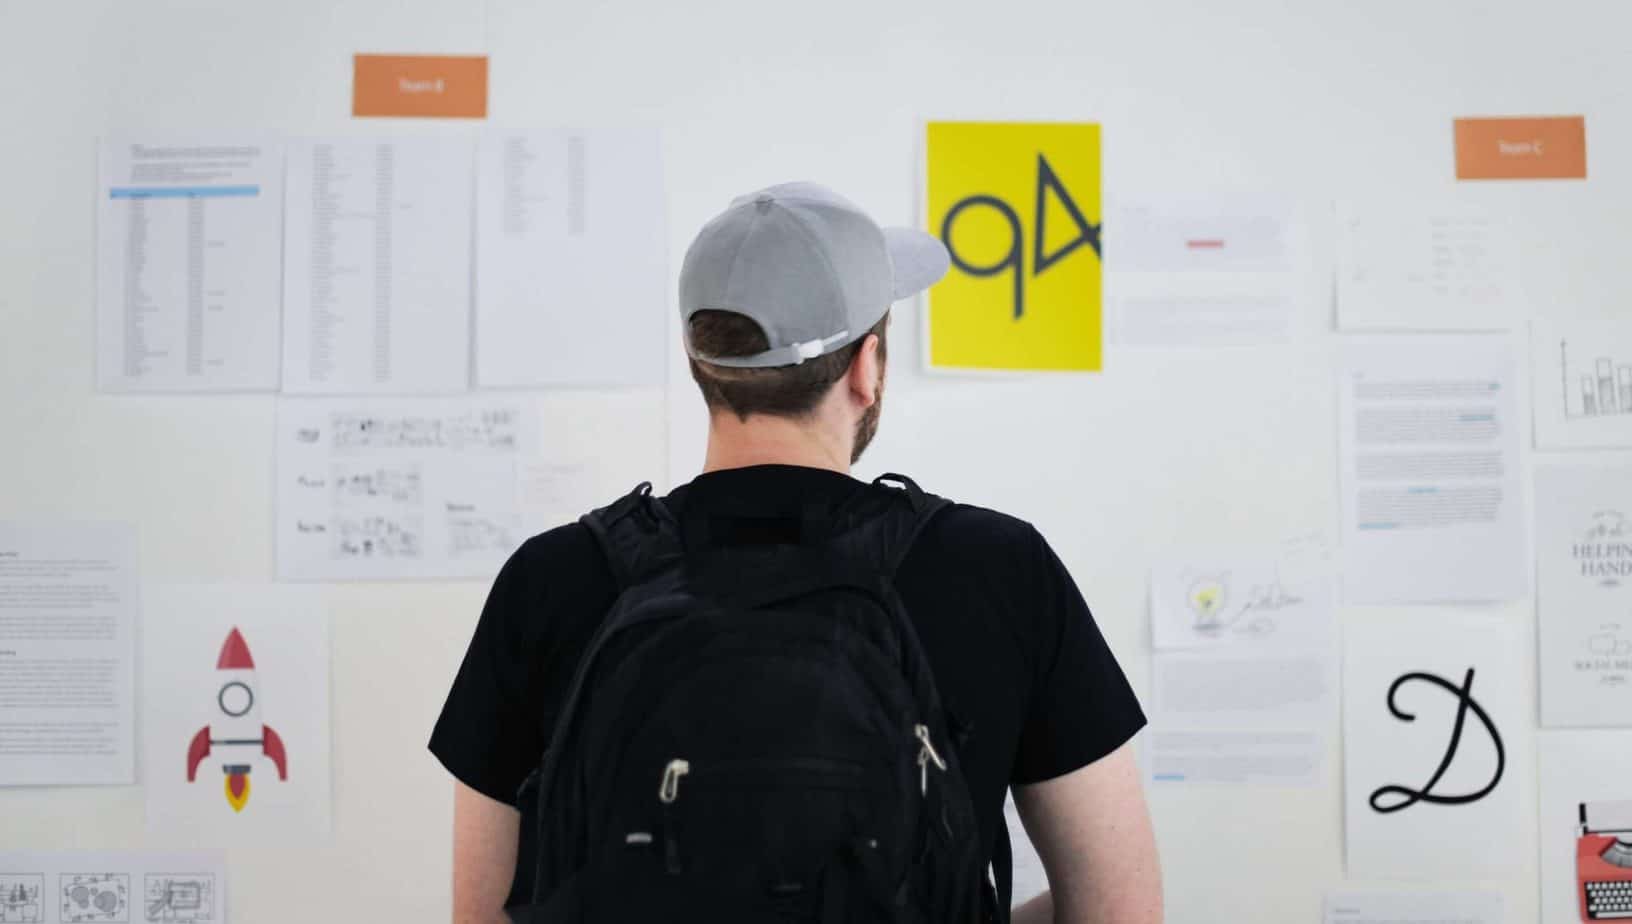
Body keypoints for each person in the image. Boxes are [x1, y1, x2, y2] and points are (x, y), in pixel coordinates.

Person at [430, 182, 1163, 924]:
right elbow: (1120, 911)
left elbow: (482, 916)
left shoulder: (552, 578)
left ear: (700, 364)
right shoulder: (1000, 568)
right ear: (866, 367)